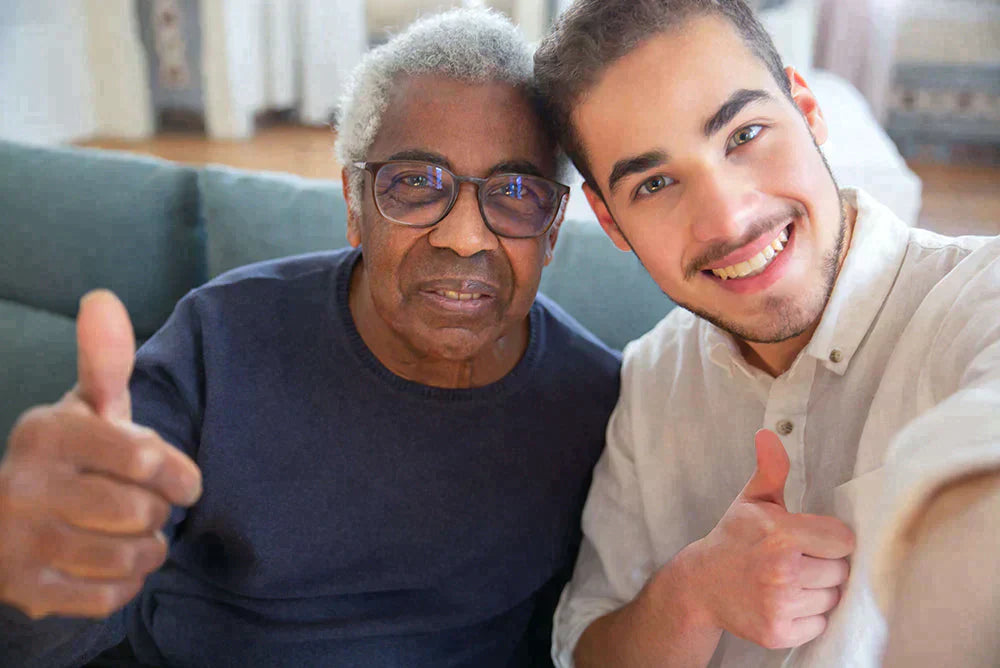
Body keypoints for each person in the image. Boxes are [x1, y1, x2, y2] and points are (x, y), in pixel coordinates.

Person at [0, 9, 621, 667]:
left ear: (553, 230)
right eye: (415, 183)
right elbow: (56, 624)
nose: (465, 237)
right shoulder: (220, 340)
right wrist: (30, 576)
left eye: (516, 191)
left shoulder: (597, 405)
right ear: (354, 204)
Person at [533, 1, 1000, 666]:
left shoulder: (979, 296)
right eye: (657, 182)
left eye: (745, 135)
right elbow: (584, 647)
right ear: (610, 224)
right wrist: (692, 594)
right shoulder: (649, 380)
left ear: (808, 112)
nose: (727, 218)